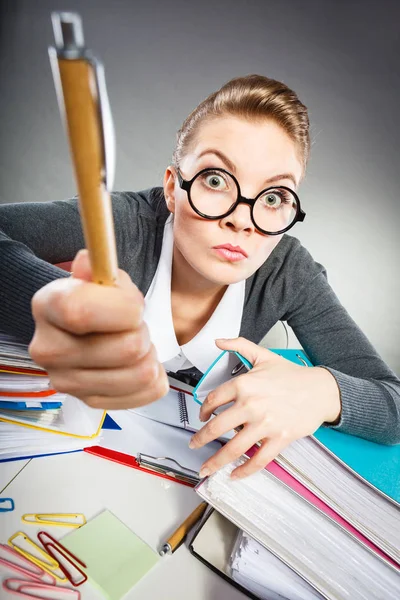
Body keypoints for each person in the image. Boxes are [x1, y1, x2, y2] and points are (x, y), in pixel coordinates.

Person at [1, 74, 399, 480]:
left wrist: (321, 390)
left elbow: (393, 404)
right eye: (216, 180)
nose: (243, 220)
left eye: (275, 196)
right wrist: (54, 297)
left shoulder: (287, 270)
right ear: (173, 189)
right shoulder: (121, 224)